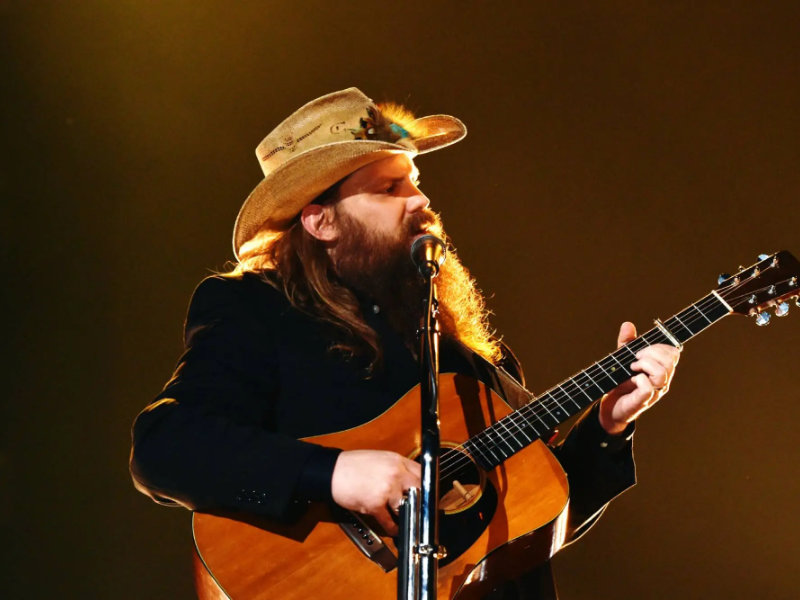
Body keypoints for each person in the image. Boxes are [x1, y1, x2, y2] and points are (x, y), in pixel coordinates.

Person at [129, 88, 680, 599]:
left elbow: (535, 522)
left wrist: (609, 426)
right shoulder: (259, 310)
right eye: (391, 188)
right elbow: (166, 447)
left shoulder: (474, 366)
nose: (420, 200)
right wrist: (335, 474)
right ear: (321, 222)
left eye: (415, 181)